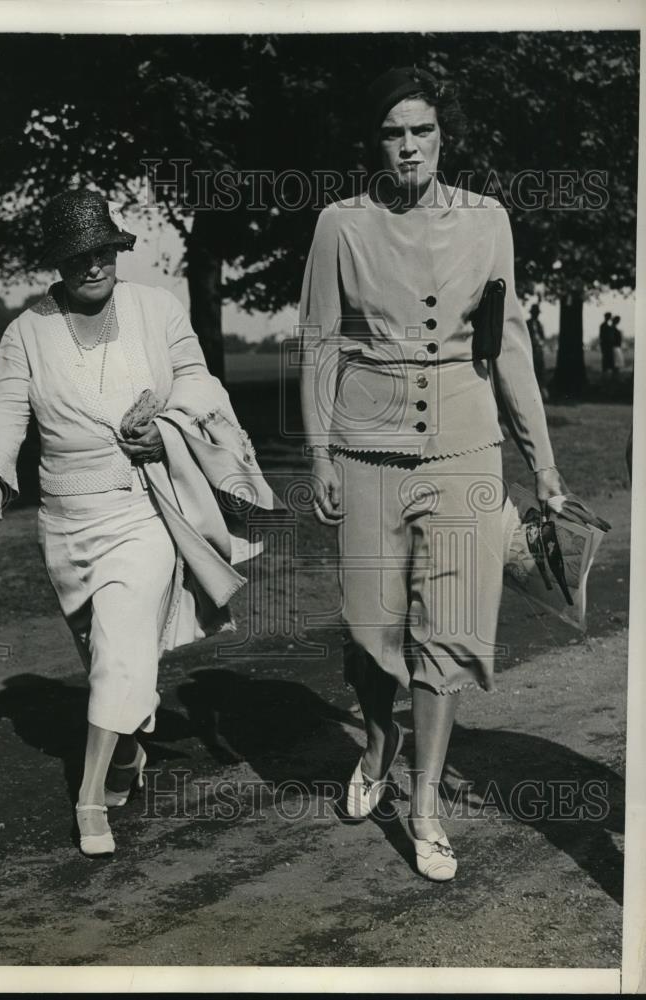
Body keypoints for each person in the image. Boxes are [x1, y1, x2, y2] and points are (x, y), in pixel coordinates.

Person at [299, 67, 565, 881]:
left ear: (443, 137)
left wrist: (544, 470)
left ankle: (423, 806)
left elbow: (508, 339)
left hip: (464, 448)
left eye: (421, 130)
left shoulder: (488, 220)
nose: (408, 145)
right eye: (392, 132)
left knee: (445, 631)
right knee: (370, 629)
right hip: (369, 449)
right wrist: (318, 452)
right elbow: (317, 341)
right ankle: (378, 744)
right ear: (375, 142)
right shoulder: (341, 224)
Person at [0, 189, 278, 858]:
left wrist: (165, 429)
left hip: (141, 510)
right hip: (65, 522)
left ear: (115, 251)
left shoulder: (155, 309)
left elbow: (198, 381)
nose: (94, 265)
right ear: (59, 261)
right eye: (79, 255)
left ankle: (89, 793)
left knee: (122, 646)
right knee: (106, 654)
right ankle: (130, 751)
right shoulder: (26, 333)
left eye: (103, 250)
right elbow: (6, 416)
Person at [526, 302, 549, 402]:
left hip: (538, 350)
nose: (536, 315)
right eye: (535, 313)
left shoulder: (539, 325)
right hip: (531, 350)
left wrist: (541, 343)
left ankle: (542, 393)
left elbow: (542, 337)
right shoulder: (527, 324)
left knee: (540, 371)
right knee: (531, 371)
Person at [599, 312, 615, 380]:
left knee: (607, 358)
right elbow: (603, 336)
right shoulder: (605, 326)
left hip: (606, 345)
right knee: (606, 358)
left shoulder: (605, 325)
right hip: (606, 345)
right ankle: (605, 374)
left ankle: (606, 373)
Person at [611, 315, 624, 380]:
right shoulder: (612, 328)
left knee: (617, 363)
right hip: (614, 347)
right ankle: (615, 377)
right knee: (616, 363)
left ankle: (615, 377)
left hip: (616, 346)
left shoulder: (614, 328)